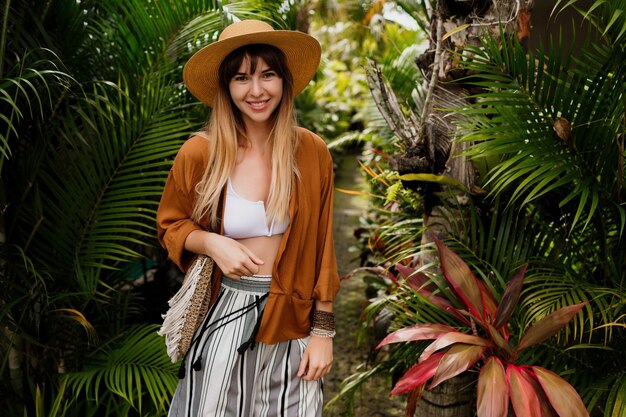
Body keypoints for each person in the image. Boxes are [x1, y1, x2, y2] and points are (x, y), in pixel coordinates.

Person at [156, 19, 340, 417]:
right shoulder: (200, 153)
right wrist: (211, 243)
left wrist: (323, 333)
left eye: (267, 75)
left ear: (284, 81)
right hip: (226, 312)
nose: (256, 91)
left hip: (294, 318)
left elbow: (324, 247)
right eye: (241, 78)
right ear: (226, 88)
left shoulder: (311, 151)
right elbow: (171, 224)